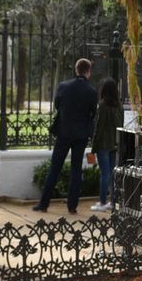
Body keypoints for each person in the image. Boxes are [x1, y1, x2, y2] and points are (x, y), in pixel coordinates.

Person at [35, 59, 98, 214]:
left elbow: (57, 105)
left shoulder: (64, 86)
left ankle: (43, 204)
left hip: (64, 132)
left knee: (55, 167)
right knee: (76, 170)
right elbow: (93, 112)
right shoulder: (91, 91)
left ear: (76, 70)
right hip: (81, 135)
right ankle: (72, 206)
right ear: (88, 72)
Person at [89, 78, 121, 213]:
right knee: (113, 174)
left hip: (103, 144)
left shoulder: (102, 105)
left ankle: (102, 202)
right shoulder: (118, 105)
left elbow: (99, 127)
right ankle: (113, 201)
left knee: (105, 174)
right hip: (115, 144)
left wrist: (93, 147)